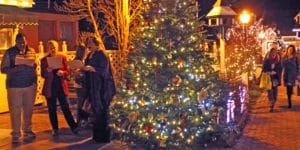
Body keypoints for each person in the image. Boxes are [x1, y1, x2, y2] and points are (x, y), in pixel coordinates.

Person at [0, 33, 37, 143]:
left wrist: (32, 66)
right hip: (14, 86)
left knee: (28, 109)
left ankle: (27, 130)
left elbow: (35, 64)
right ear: (16, 42)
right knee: (15, 110)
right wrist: (17, 68)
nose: (22, 44)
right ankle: (16, 132)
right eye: (20, 42)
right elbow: (3, 69)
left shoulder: (32, 51)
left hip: (30, 85)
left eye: (24, 42)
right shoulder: (9, 52)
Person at [41, 40, 78, 136]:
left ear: (57, 48)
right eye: (50, 48)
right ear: (48, 49)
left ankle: (73, 127)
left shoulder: (62, 57)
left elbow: (67, 71)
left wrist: (63, 72)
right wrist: (47, 71)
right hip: (50, 86)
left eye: (54, 47)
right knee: (52, 108)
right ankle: (55, 128)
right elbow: (43, 74)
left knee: (65, 107)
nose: (52, 49)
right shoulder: (44, 60)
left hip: (60, 85)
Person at [82, 37, 116, 143]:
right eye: (88, 43)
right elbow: (87, 68)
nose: (89, 45)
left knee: (103, 110)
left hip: (102, 88)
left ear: (96, 44)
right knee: (96, 111)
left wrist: (93, 69)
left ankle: (104, 136)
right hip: (93, 87)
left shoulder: (101, 54)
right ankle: (97, 134)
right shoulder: (89, 55)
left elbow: (104, 70)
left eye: (91, 43)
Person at [72, 44, 90, 128]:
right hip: (80, 85)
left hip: (83, 84)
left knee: (84, 103)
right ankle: (79, 121)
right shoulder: (77, 61)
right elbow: (75, 73)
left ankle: (84, 120)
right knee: (81, 103)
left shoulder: (84, 60)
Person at [262, 48, 282, 112]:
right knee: (270, 91)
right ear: (270, 53)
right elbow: (264, 68)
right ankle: (271, 105)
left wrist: (276, 72)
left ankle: (273, 102)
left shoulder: (278, 60)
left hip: (275, 77)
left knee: (275, 91)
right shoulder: (267, 60)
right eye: (272, 52)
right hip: (269, 77)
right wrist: (268, 72)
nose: (274, 53)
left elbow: (280, 68)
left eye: (275, 52)